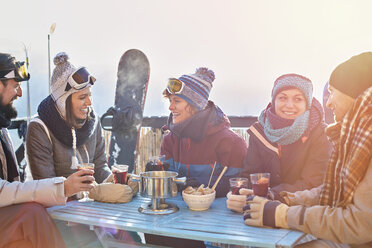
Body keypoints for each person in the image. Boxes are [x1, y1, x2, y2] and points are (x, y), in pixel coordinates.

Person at [237, 52, 372, 247]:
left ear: (353, 94)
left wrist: (282, 214)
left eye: (333, 92)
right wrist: (281, 198)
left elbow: (359, 223)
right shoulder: (357, 137)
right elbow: (331, 192)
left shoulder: (352, 139)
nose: (328, 102)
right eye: (282, 97)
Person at [0, 53, 95, 247]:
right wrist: (63, 188)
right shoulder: (40, 128)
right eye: (15, 86)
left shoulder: (1, 129)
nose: (19, 94)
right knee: (31, 215)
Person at [146, 67, 247, 248]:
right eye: (170, 101)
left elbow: (239, 187)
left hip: (215, 228)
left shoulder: (231, 142)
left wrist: (200, 186)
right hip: (176, 220)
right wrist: (157, 174)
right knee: (152, 232)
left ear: (195, 104)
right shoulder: (170, 139)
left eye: (176, 101)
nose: (170, 107)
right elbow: (168, 186)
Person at [235, 74, 331, 202]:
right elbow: (249, 177)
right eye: (282, 98)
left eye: (298, 99)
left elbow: (313, 184)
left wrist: (272, 195)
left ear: (307, 103)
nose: (289, 105)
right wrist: (240, 194)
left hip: (300, 211)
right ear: (274, 101)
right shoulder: (260, 132)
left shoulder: (320, 134)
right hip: (260, 206)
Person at [26, 52, 111, 183]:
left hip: (91, 201)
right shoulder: (40, 128)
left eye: (89, 95)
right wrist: (79, 191)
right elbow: (45, 184)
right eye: (82, 97)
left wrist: (114, 181)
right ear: (63, 102)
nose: (89, 103)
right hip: (60, 203)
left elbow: (100, 167)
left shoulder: (93, 121)